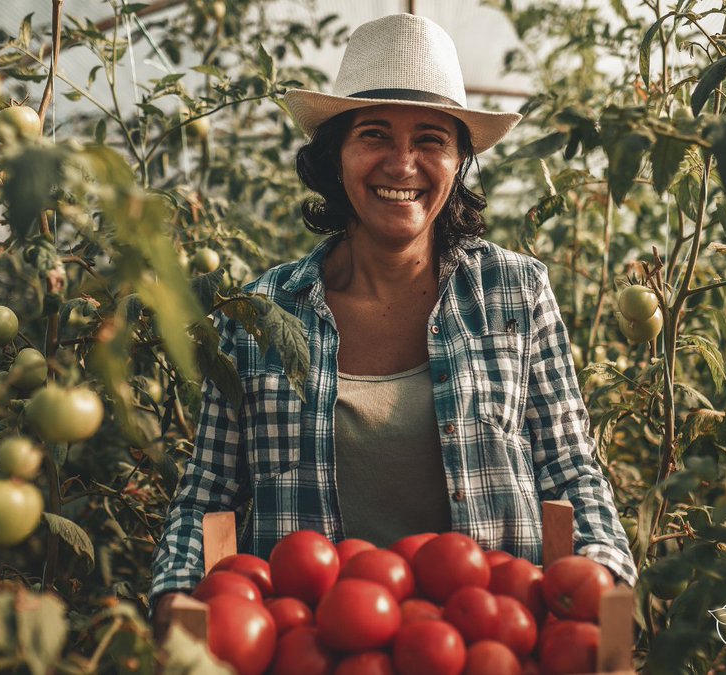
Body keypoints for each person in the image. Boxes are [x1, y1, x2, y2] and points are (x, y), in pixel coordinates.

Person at [151, 13, 635, 628]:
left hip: (491, 641)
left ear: (459, 162)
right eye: (374, 135)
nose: (402, 164)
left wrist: (601, 576)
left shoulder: (513, 292)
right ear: (337, 158)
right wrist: (177, 598)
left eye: (431, 139)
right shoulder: (262, 315)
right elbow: (208, 496)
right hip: (312, 648)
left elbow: (570, 471)